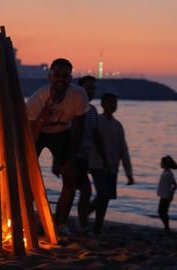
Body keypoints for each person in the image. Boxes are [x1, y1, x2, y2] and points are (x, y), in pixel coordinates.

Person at [26, 58, 90, 235]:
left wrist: (70, 160)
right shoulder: (37, 99)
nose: (61, 79)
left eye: (65, 75)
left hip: (62, 134)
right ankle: (27, 218)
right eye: (57, 75)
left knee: (70, 177)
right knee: (25, 175)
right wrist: (42, 118)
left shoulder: (79, 95)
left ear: (70, 77)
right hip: (38, 132)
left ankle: (60, 223)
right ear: (50, 77)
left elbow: (78, 129)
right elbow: (31, 139)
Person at [88, 92, 134, 235]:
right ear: (102, 104)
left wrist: (129, 173)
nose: (112, 105)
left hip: (113, 167)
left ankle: (97, 227)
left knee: (106, 198)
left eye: (114, 103)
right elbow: (90, 141)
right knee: (103, 194)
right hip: (96, 164)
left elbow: (123, 150)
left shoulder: (118, 125)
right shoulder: (97, 121)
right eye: (109, 102)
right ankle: (84, 214)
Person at [76, 75, 109, 230]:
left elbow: (96, 136)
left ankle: (73, 223)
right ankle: (79, 225)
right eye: (89, 88)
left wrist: (104, 158)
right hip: (73, 156)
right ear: (80, 89)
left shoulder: (93, 110)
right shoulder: (74, 107)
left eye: (93, 88)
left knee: (77, 192)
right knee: (85, 190)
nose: (92, 91)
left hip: (84, 158)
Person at [157, 155, 177, 233]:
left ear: (165, 164)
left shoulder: (169, 174)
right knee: (162, 212)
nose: (160, 164)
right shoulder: (165, 172)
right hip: (163, 195)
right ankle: (166, 227)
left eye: (161, 162)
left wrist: (171, 194)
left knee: (162, 212)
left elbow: (175, 185)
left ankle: (167, 227)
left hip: (166, 196)